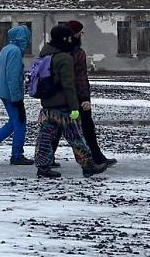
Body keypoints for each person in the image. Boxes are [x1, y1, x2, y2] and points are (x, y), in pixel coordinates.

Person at [32, 24, 110, 179]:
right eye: (69, 37)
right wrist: (75, 108)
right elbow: (69, 86)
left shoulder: (44, 55)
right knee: (76, 137)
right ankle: (88, 166)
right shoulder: (64, 58)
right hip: (62, 106)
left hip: (47, 105)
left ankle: (43, 167)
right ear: (65, 39)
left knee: (45, 137)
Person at [63, 20, 116, 169]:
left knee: (58, 126)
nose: (81, 35)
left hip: (62, 96)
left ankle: (46, 159)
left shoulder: (59, 51)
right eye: (80, 32)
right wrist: (85, 98)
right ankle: (97, 158)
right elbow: (79, 77)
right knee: (86, 127)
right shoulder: (77, 53)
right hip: (78, 97)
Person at [0, 25, 33, 165]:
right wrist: (18, 99)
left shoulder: (6, 49)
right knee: (20, 123)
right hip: (11, 93)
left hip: (3, 91)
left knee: (14, 121)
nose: (28, 42)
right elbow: (13, 77)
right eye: (27, 38)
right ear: (22, 38)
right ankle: (17, 155)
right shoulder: (16, 52)